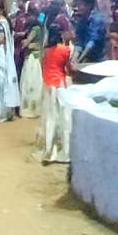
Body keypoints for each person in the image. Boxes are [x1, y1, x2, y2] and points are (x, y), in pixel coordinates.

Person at [40, 22, 74, 164]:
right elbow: (68, 68)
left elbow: (43, 66)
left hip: (48, 84)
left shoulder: (45, 51)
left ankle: (49, 149)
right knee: (64, 117)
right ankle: (64, 151)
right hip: (60, 84)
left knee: (50, 117)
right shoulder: (65, 50)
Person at [0, 0, 21, 121]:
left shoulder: (1, 23)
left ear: (1, 10)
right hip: (4, 54)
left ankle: (2, 112)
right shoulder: (5, 22)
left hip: (0, 55)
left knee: (0, 82)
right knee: (3, 81)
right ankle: (7, 111)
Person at [71, 0, 109, 65]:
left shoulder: (98, 19)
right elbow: (79, 41)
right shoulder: (81, 20)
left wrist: (79, 61)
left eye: (80, 5)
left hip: (99, 60)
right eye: (77, 5)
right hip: (87, 59)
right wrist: (74, 58)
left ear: (89, 5)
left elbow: (92, 43)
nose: (78, 8)